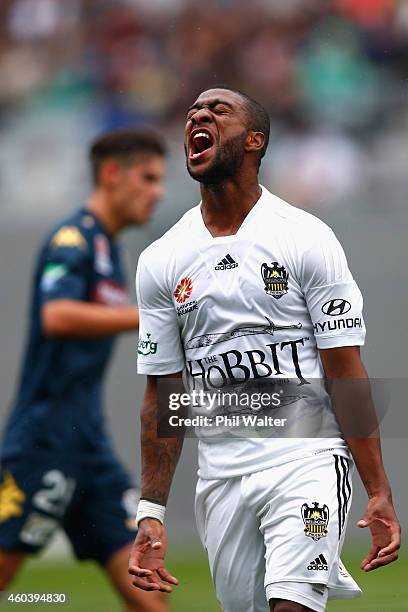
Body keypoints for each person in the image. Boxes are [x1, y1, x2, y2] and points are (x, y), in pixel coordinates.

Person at [128, 88, 401, 612]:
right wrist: (151, 509)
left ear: (255, 141)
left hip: (308, 458)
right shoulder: (161, 259)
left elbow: (344, 368)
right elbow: (163, 392)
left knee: (292, 606)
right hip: (222, 474)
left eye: (218, 111)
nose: (199, 117)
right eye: (192, 114)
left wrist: (378, 487)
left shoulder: (304, 237)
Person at [0, 130, 169, 611]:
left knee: (147, 588)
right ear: (112, 174)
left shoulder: (109, 251)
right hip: (43, 443)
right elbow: (57, 316)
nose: (157, 191)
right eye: (149, 177)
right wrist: (151, 315)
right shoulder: (72, 238)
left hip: (89, 450)